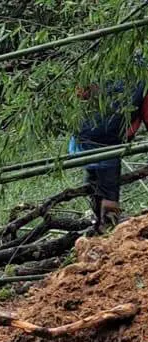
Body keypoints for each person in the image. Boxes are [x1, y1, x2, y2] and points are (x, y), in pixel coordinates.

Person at [70, 79, 148, 230]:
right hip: (108, 138)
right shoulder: (142, 79)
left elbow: (81, 92)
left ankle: (98, 221)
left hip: (83, 132)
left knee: (95, 180)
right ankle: (108, 228)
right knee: (108, 189)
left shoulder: (105, 67)